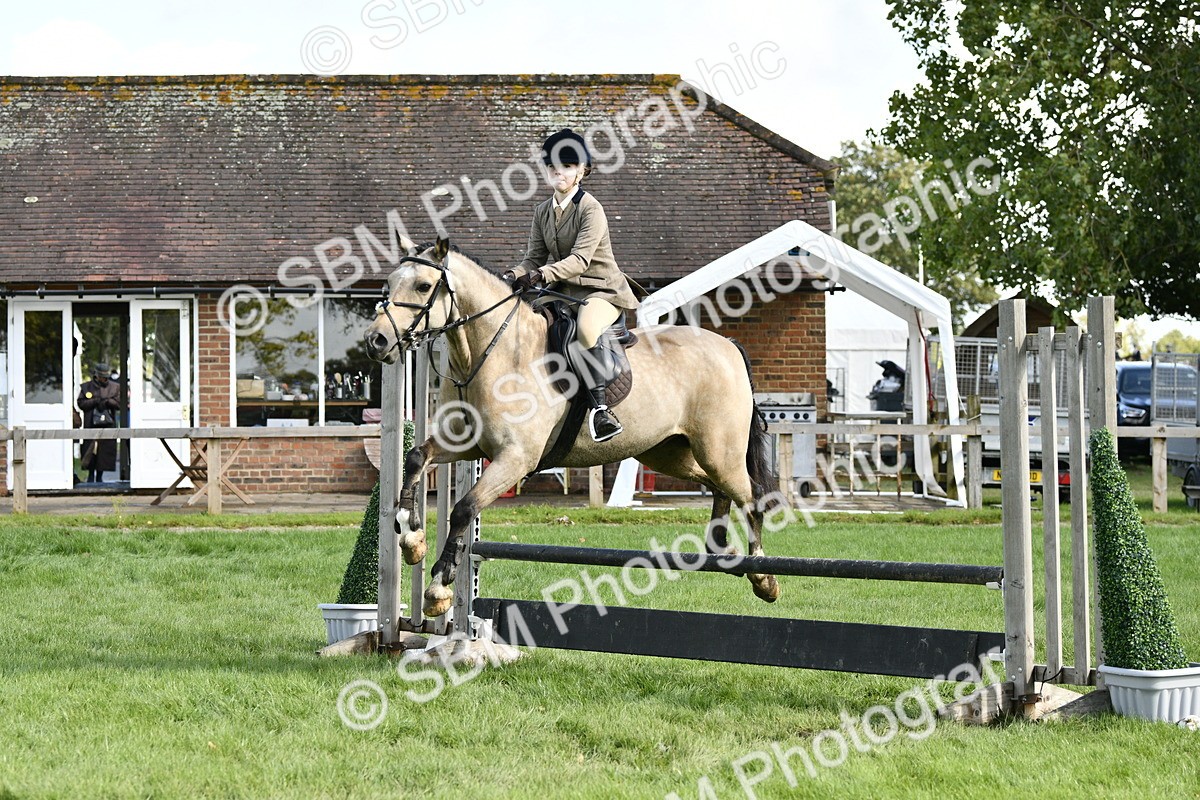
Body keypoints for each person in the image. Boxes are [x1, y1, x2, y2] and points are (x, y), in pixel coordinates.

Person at [503, 128, 641, 442]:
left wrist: (540, 275)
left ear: (582, 171)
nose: (558, 172)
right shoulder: (542, 211)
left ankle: (600, 410)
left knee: (586, 330)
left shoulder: (591, 209)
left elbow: (579, 260)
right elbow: (533, 257)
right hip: (563, 293)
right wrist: (511, 276)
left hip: (601, 291)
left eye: (566, 166)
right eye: (552, 166)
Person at [77, 362, 120, 483]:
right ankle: (90, 474)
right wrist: (95, 401)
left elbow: (119, 404)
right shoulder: (86, 387)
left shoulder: (114, 387)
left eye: (106, 377)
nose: (104, 379)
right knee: (90, 450)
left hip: (108, 423)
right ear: (96, 375)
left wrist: (107, 402)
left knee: (105, 450)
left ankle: (100, 476)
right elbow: (81, 403)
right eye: (102, 376)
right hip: (90, 422)